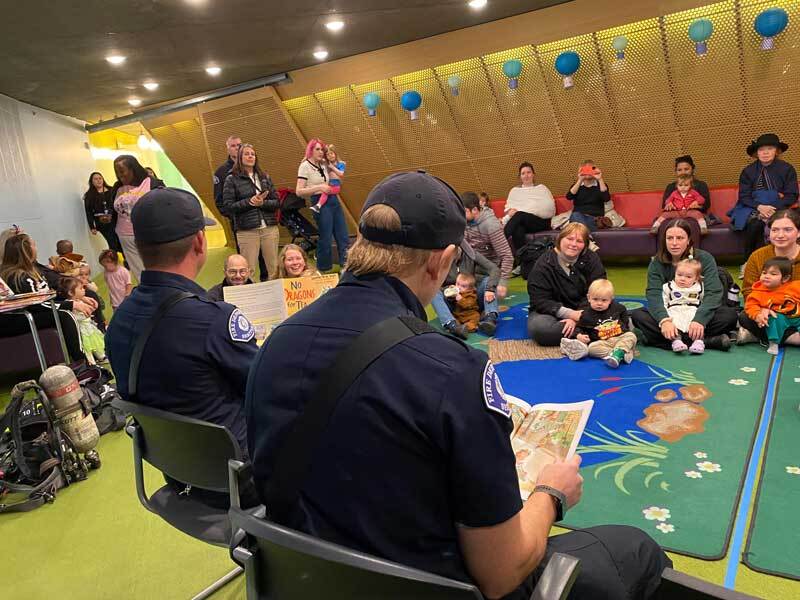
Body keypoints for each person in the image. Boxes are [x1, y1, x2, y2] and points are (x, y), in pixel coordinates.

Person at [246, 170, 670, 600]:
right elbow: (501, 572)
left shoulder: (276, 342)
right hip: (420, 583)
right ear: (443, 260)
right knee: (636, 549)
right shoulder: (452, 370)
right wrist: (551, 494)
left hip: (304, 578)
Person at [106, 187, 259, 508]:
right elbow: (265, 389)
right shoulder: (214, 320)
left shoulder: (119, 321)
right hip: (240, 478)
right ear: (200, 242)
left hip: (178, 472)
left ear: (138, 245)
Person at [631, 220, 738, 351]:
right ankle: (708, 341)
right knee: (638, 315)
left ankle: (664, 340)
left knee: (729, 316)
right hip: (671, 314)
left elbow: (713, 292)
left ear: (688, 240)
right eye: (670, 238)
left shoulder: (705, 258)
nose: (674, 243)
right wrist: (665, 321)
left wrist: (700, 320)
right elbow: (654, 295)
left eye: (680, 238)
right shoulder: (656, 263)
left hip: (696, 311)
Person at [0, 233, 87, 363]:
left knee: (73, 306)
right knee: (65, 315)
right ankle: (81, 362)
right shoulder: (18, 277)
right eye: (34, 245)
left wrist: (74, 300)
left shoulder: (32, 271)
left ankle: (91, 352)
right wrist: (71, 305)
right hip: (17, 318)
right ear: (26, 251)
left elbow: (47, 296)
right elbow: (36, 304)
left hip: (32, 311)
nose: (37, 247)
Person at [527, 222, 606, 347]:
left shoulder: (592, 259)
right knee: (541, 329)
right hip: (550, 313)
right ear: (560, 239)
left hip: (586, 311)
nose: (573, 244)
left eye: (579, 241)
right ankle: (585, 334)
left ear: (585, 245)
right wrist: (570, 314)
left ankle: (577, 335)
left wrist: (580, 316)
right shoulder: (544, 263)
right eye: (569, 239)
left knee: (619, 318)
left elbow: (598, 290)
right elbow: (539, 301)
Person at [731, 133, 798, 263]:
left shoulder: (787, 169)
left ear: (777, 151)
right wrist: (760, 207)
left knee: (787, 222)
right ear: (756, 153)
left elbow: (792, 194)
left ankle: (789, 260)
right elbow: (744, 196)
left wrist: (773, 209)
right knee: (754, 224)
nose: (765, 153)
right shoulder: (748, 171)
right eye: (761, 149)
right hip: (755, 207)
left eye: (770, 149)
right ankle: (749, 262)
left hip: (780, 206)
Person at [738, 210, 800, 344]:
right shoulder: (758, 256)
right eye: (775, 230)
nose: (780, 235)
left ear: (798, 232)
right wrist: (762, 310)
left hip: (797, 312)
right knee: (745, 316)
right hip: (770, 312)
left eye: (788, 230)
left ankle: (760, 336)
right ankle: (793, 339)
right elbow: (748, 291)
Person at [222, 143, 280, 280]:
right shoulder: (231, 179)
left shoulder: (264, 177)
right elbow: (228, 206)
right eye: (246, 154)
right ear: (240, 158)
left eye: (252, 154)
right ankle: (250, 299)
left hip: (269, 228)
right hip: (247, 230)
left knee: (274, 268)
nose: (250, 157)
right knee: (248, 270)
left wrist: (263, 203)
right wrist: (249, 202)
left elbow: (277, 202)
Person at [296, 138, 350, 273]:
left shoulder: (323, 164)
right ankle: (324, 268)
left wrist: (339, 167)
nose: (321, 152)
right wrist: (318, 187)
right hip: (319, 201)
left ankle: (346, 266)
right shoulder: (305, 166)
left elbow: (337, 168)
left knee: (342, 234)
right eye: (317, 149)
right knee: (325, 237)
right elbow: (299, 191)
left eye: (322, 149)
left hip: (333, 200)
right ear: (310, 150)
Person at [431, 239, 501, 338]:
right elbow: (434, 283)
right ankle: (451, 325)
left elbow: (494, 269)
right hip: (453, 302)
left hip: (472, 300)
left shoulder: (471, 254)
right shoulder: (440, 259)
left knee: (488, 281)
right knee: (434, 292)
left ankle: (490, 318)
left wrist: (490, 289)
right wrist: (450, 291)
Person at [560, 278, 636, 368]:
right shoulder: (586, 314)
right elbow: (579, 327)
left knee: (631, 336)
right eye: (595, 299)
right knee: (591, 349)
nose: (599, 303)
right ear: (589, 298)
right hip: (602, 342)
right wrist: (579, 336)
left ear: (611, 300)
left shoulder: (618, 308)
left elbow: (624, 318)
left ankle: (620, 352)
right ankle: (619, 354)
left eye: (604, 300)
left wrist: (625, 329)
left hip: (619, 337)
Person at [112, 154, 162, 282]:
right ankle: (149, 293)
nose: (120, 176)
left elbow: (163, 206)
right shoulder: (118, 187)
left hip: (148, 233)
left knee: (157, 267)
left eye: (123, 172)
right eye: (118, 174)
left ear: (133, 169)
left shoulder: (151, 183)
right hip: (125, 235)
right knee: (139, 272)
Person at [743, 257, 800, 354]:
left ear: (785, 278)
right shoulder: (757, 293)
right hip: (780, 318)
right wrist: (758, 315)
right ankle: (774, 342)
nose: (767, 276)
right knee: (772, 320)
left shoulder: (795, 286)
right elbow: (751, 306)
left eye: (773, 274)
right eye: (764, 273)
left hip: (797, 316)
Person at [463, 192, 512, 300]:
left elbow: (507, 256)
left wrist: (503, 283)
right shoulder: (464, 221)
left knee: (485, 289)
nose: (461, 215)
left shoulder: (491, 225)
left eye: (464, 211)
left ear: (475, 210)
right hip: (471, 265)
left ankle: (489, 292)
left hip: (489, 268)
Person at [502, 162, 556, 259]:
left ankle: (500, 241)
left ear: (533, 174)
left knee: (519, 215)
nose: (526, 175)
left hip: (540, 222)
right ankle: (524, 260)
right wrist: (514, 212)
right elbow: (509, 209)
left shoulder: (542, 188)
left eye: (529, 172)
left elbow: (549, 208)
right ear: (520, 176)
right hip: (523, 222)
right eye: (523, 173)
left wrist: (522, 211)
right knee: (518, 228)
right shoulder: (514, 191)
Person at [57, 277, 106, 364]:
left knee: (96, 343)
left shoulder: (79, 301)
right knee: (87, 347)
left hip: (90, 328)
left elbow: (89, 312)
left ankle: (102, 356)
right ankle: (91, 363)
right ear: (71, 292)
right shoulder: (69, 304)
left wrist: (93, 307)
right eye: (81, 288)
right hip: (82, 330)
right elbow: (76, 317)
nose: (84, 290)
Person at [662, 259, 706, 354]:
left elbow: (704, 301)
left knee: (698, 326)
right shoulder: (668, 287)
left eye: (688, 277)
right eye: (679, 275)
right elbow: (664, 303)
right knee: (674, 325)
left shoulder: (699, 287)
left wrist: (700, 318)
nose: (682, 279)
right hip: (674, 311)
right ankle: (676, 341)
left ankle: (698, 341)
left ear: (696, 278)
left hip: (693, 310)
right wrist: (665, 319)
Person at [83, 171, 122, 254]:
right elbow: (88, 212)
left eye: (100, 178)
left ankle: (126, 262)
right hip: (102, 223)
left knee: (121, 242)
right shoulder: (89, 195)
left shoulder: (112, 190)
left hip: (115, 220)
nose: (98, 180)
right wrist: (92, 227)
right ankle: (115, 263)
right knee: (112, 243)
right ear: (92, 182)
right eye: (96, 179)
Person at [566, 160, 611, 232]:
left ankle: (586, 237)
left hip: (594, 220)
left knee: (576, 224)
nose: (587, 172)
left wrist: (600, 179)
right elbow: (569, 197)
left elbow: (606, 198)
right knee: (575, 217)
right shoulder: (577, 186)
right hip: (577, 218)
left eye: (590, 169)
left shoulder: (601, 185)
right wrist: (580, 180)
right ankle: (588, 238)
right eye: (584, 169)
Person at [310, 144, 345, 214]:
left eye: (331, 153)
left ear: (335, 153)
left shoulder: (341, 163)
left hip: (335, 186)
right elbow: (317, 159)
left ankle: (318, 205)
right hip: (328, 184)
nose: (330, 156)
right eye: (328, 155)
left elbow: (341, 174)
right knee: (322, 189)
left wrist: (332, 167)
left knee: (326, 191)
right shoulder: (326, 163)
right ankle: (318, 205)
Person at [77, 264, 106, 331]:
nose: (83, 277)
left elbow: (95, 290)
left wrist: (88, 286)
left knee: (100, 318)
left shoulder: (90, 284)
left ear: (89, 275)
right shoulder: (77, 286)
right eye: (81, 275)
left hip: (95, 306)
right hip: (86, 309)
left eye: (86, 274)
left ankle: (102, 327)